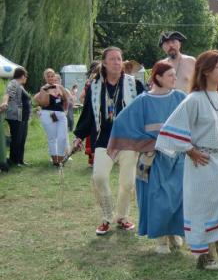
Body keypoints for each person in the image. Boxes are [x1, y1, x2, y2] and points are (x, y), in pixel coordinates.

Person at [156, 50, 218, 270]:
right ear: (205, 72)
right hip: (203, 163)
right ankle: (206, 257)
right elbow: (170, 130)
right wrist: (189, 150)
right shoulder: (193, 99)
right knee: (205, 210)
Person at [108, 61, 185, 254]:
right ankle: (160, 240)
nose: (175, 78)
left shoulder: (180, 98)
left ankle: (174, 232)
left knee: (177, 196)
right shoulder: (143, 101)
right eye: (170, 75)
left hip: (177, 157)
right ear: (158, 78)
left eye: (175, 75)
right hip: (153, 158)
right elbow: (122, 123)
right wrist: (146, 142)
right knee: (157, 197)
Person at [73, 47, 145, 235]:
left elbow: (144, 110)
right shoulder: (95, 86)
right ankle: (106, 216)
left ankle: (122, 217)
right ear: (104, 63)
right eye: (112, 59)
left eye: (119, 59)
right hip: (103, 140)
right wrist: (79, 136)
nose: (116, 62)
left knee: (127, 183)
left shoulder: (133, 84)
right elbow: (88, 113)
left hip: (128, 140)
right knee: (99, 177)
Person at [34, 68, 70, 166]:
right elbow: (43, 104)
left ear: (55, 76)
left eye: (52, 76)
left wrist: (65, 111)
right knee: (52, 138)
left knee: (62, 137)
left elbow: (66, 99)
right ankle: (55, 161)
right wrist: (46, 91)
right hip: (48, 114)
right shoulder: (43, 88)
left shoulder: (60, 87)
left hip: (61, 114)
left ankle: (61, 158)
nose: (50, 78)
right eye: (48, 76)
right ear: (45, 78)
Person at [0, 67, 31, 166]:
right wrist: (4, 103)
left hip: (23, 118)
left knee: (22, 139)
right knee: (17, 139)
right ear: (23, 76)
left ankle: (20, 160)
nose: (26, 78)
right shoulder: (13, 83)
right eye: (26, 76)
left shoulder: (20, 85)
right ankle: (14, 160)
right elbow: (7, 94)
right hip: (16, 116)